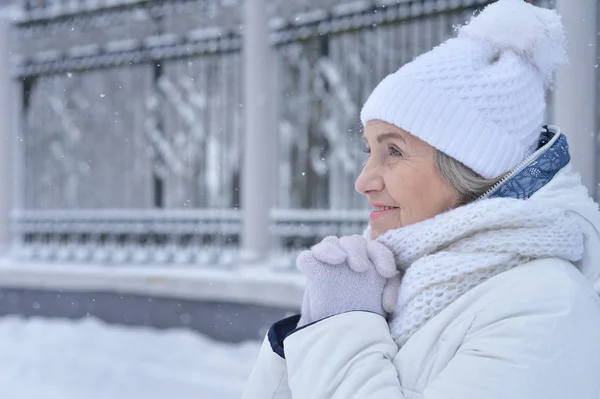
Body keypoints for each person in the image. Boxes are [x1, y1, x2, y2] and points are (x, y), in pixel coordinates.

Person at [242, 0, 600, 397]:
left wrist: (341, 324)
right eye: (369, 151)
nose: (363, 181)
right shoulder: (396, 280)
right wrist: (316, 325)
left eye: (393, 151)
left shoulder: (544, 304)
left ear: (467, 169)